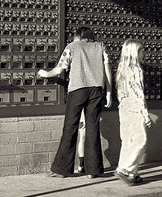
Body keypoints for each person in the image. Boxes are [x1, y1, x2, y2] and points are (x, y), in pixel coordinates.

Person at [38, 25, 112, 178]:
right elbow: (107, 70)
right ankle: (94, 170)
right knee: (93, 128)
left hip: (77, 89)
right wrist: (109, 92)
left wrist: (44, 73)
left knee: (70, 127)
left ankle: (62, 169)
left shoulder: (72, 46)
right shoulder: (100, 46)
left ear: (78, 35)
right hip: (96, 90)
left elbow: (59, 69)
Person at [113, 39, 153, 185]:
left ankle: (131, 172)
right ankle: (126, 169)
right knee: (141, 140)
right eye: (141, 51)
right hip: (135, 110)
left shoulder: (122, 70)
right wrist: (145, 114)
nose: (144, 54)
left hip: (124, 109)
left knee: (128, 141)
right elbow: (138, 94)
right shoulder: (136, 70)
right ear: (134, 53)